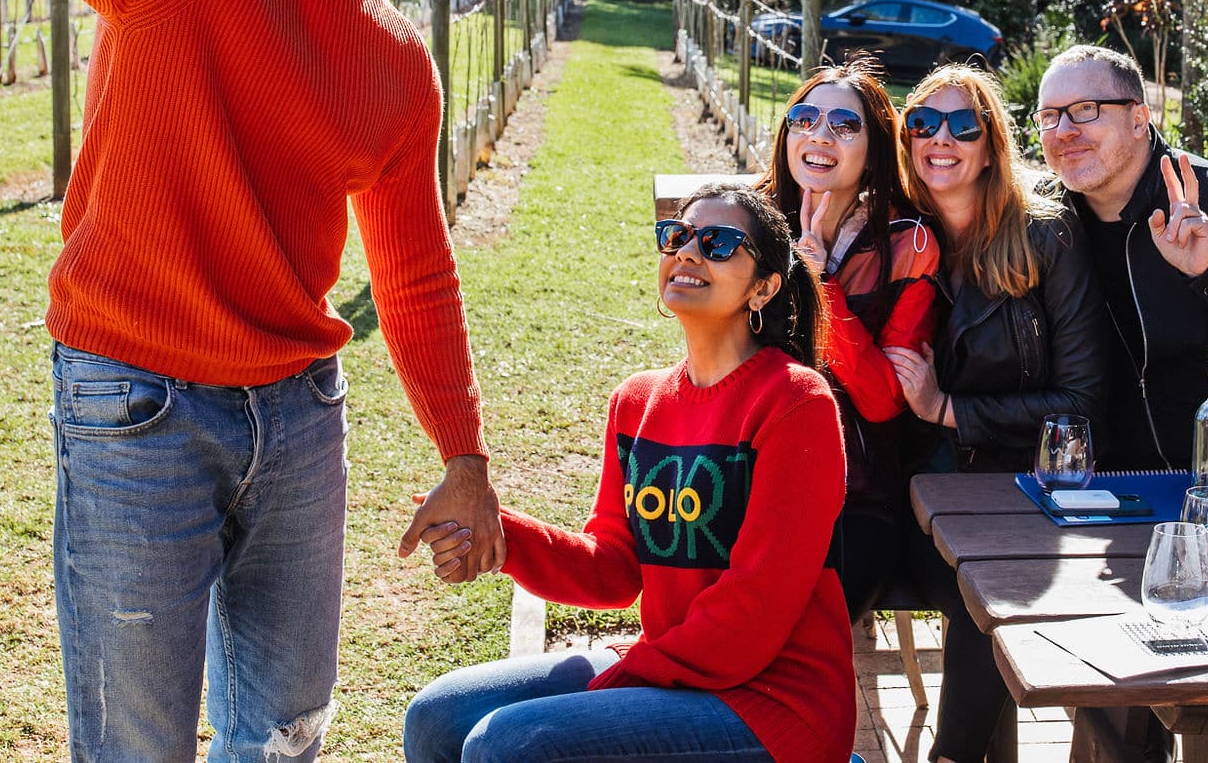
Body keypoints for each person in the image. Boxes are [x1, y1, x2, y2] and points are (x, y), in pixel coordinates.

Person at [0, 0, 499, 761]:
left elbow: (414, 277)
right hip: (133, 405)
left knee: (282, 732)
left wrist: (464, 458)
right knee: (138, 742)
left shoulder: (395, 60)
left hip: (299, 420)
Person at [403, 184, 852, 763]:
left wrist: (632, 671)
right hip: (676, 666)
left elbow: (758, 604)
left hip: (775, 704)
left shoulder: (796, 402)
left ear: (763, 286)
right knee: (436, 717)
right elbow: (614, 568)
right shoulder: (636, 401)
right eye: (677, 236)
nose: (689, 252)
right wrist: (499, 535)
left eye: (719, 243)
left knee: (509, 745)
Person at [882, 65, 1107, 763]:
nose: (939, 139)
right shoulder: (887, 237)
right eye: (922, 123)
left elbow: (1081, 403)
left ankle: (950, 756)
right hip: (910, 486)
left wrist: (947, 409)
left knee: (984, 593)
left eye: (962, 125)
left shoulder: (1044, 236)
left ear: (990, 145)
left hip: (1015, 484)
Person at [1037, 44, 1208, 472]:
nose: (1063, 130)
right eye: (1049, 117)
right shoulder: (1047, 221)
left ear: (1138, 119)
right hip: (1118, 487)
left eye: (1084, 109)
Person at [753, 61, 942, 619]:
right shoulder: (752, 230)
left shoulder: (911, 246)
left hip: (854, 497)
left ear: (874, 148)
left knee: (803, 617)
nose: (819, 134)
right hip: (747, 479)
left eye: (844, 125)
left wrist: (820, 285)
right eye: (804, 118)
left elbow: (883, 401)